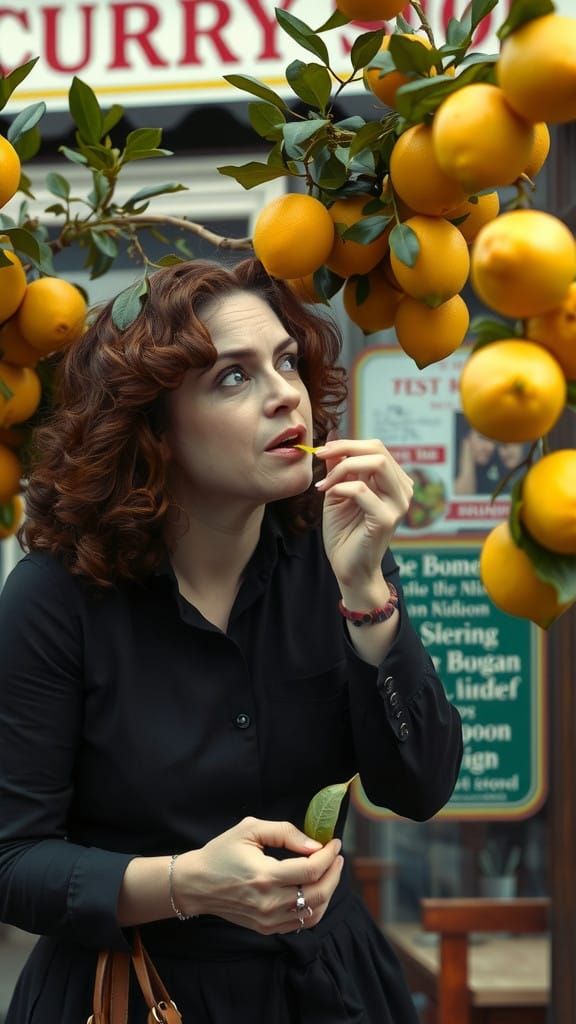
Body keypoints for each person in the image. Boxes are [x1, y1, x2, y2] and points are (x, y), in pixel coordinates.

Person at [0, 257, 463, 1023]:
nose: (286, 393)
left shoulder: (335, 557)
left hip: (325, 987)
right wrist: (184, 883)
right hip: (129, 993)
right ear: (151, 427)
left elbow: (419, 788)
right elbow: (14, 862)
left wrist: (368, 594)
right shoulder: (56, 600)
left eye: (285, 361)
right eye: (232, 378)